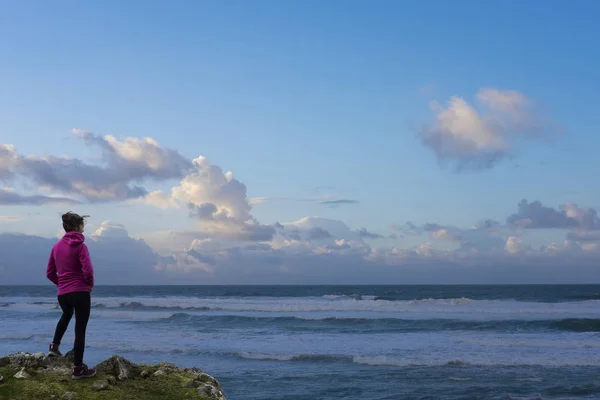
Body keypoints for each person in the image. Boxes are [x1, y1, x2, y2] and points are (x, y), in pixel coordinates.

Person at [46, 211, 96, 379]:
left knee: (67, 314)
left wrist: (61, 284)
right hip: (80, 291)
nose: (83, 230)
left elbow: (50, 273)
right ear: (76, 227)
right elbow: (87, 270)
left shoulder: (56, 247)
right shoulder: (81, 246)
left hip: (63, 294)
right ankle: (78, 368)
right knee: (80, 328)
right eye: (82, 226)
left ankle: (54, 347)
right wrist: (88, 284)